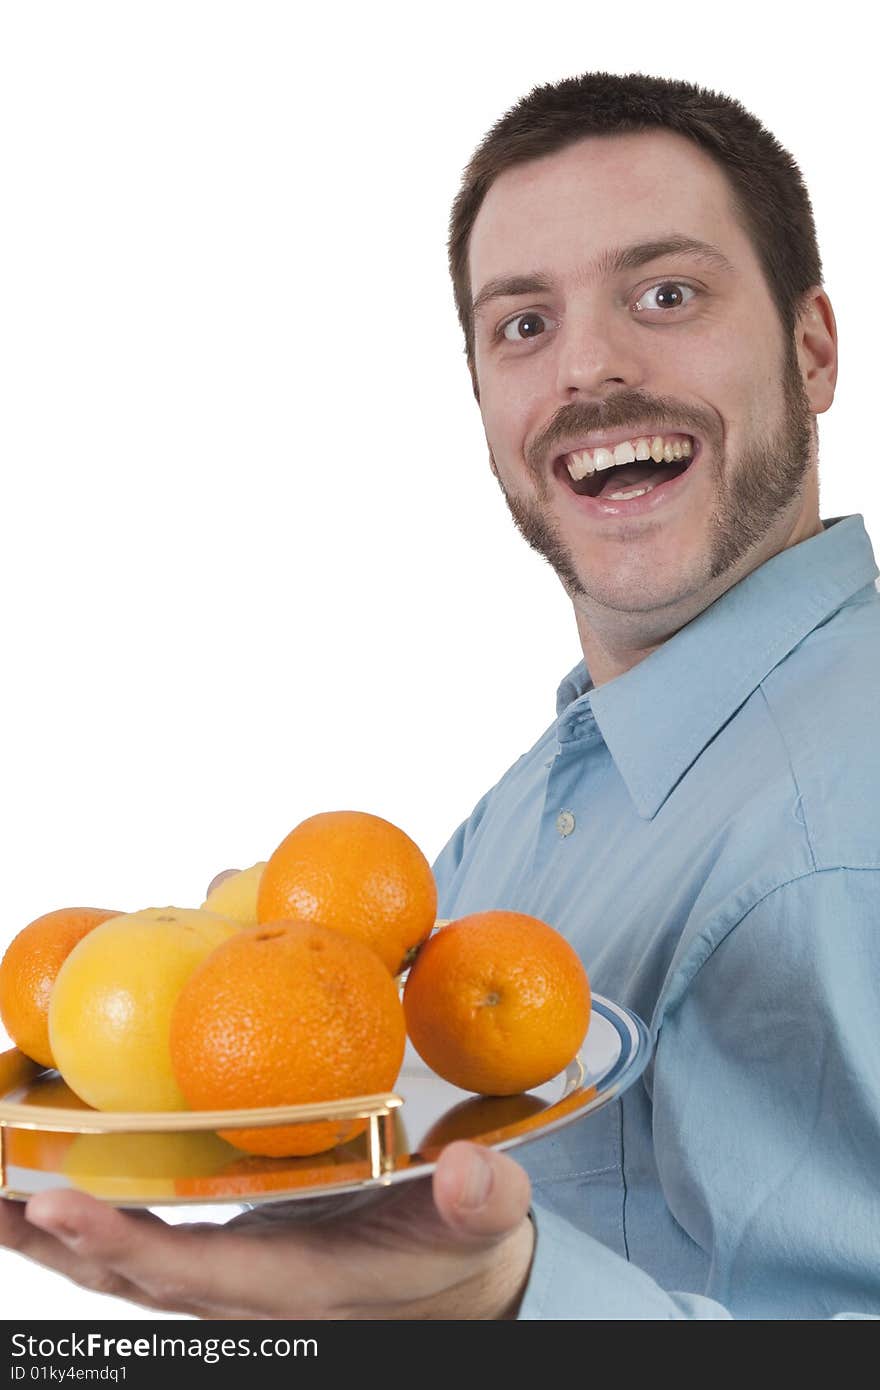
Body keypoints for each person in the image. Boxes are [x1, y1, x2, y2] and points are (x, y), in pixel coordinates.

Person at [2, 70, 878, 1320]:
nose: (588, 367)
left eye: (665, 294)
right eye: (521, 324)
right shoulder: (545, 798)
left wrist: (511, 1302)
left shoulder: (841, 828)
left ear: (811, 349)